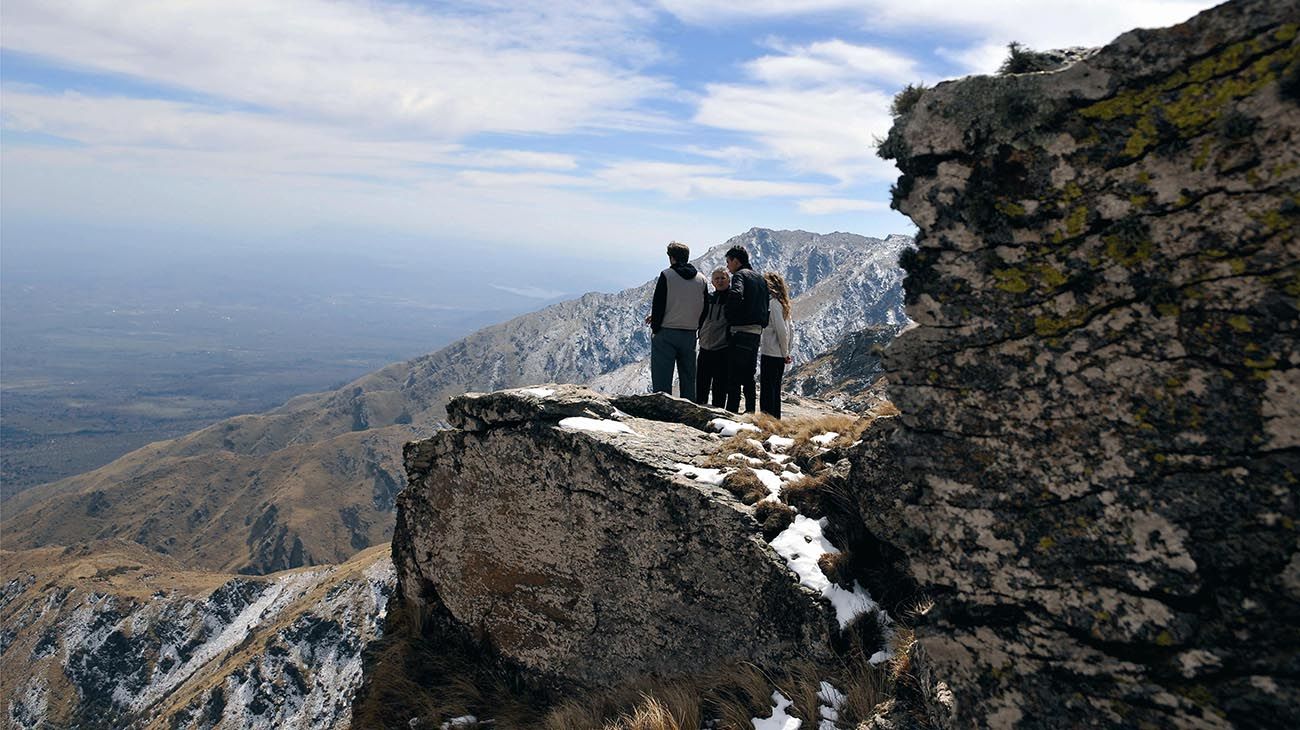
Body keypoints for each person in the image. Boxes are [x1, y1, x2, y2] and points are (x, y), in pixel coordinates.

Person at [646, 241, 708, 400]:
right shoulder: (701, 279)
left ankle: (662, 411)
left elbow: (659, 304)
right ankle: (689, 412)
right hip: (689, 334)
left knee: (662, 377)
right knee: (688, 377)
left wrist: (656, 328)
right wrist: (696, 326)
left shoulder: (667, 275)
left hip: (666, 332)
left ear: (671, 257)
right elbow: (705, 308)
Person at [722, 244, 768, 413]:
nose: (727, 266)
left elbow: (736, 295)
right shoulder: (760, 278)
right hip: (756, 333)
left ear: (736, 260)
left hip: (740, 331)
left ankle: (731, 413)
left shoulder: (740, 275)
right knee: (749, 376)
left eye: (728, 262)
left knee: (734, 375)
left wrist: (729, 315)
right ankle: (750, 412)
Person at [759, 271, 794, 419]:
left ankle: (767, 419)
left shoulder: (773, 304)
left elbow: (781, 330)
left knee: (768, 389)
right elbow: (790, 329)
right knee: (775, 388)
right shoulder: (783, 303)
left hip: (771, 352)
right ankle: (775, 419)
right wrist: (786, 351)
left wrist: (785, 352)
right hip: (779, 353)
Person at [695, 267, 730, 407]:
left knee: (720, 386)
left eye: (723, 278)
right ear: (712, 282)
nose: (720, 281)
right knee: (701, 383)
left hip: (723, 348)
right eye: (717, 279)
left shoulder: (733, 299)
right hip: (704, 347)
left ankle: (719, 414)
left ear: (729, 280)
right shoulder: (708, 298)